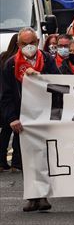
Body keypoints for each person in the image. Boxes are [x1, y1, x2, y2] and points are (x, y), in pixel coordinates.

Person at [0, 28, 60, 212]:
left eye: (32, 43)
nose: (29, 47)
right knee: (27, 160)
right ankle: (32, 197)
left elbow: (58, 84)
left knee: (43, 157)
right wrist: (12, 118)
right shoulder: (11, 65)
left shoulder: (48, 60)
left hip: (43, 116)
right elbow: (6, 94)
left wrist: (40, 78)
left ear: (37, 42)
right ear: (18, 45)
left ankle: (43, 196)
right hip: (23, 119)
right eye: (25, 44)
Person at [0, 33, 19, 172]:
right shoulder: (15, 60)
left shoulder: (3, 56)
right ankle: (16, 163)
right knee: (17, 131)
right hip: (15, 98)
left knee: (5, 131)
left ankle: (1, 161)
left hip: (4, 99)